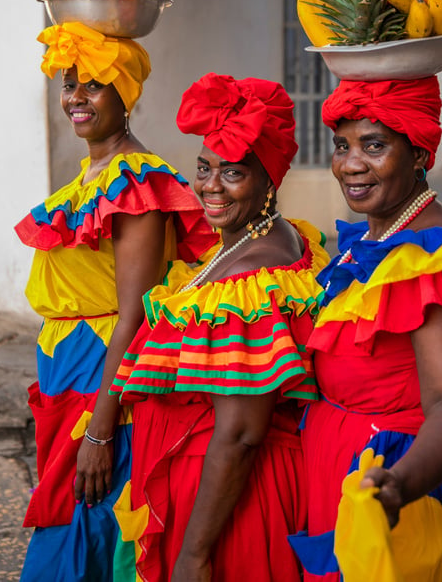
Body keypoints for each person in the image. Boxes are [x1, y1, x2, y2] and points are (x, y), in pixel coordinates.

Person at [109, 72, 330, 582]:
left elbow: (240, 432)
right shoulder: (275, 238)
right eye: (204, 169)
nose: (210, 186)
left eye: (232, 173)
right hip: (213, 488)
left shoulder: (250, 283)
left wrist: (194, 554)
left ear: (269, 179)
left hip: (231, 509)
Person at [15, 22, 216, 582]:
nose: (76, 97)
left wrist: (101, 432)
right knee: (71, 519)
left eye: (95, 84)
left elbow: (134, 315)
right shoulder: (93, 175)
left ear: (125, 93)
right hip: (69, 374)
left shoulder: (137, 185)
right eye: (68, 82)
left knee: (85, 532)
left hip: (103, 386)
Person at [289, 76, 442, 582]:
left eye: (374, 145)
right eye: (342, 145)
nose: (350, 164)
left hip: (402, 493)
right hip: (347, 476)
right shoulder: (373, 238)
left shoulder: (433, 261)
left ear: (419, 155)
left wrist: (399, 485)